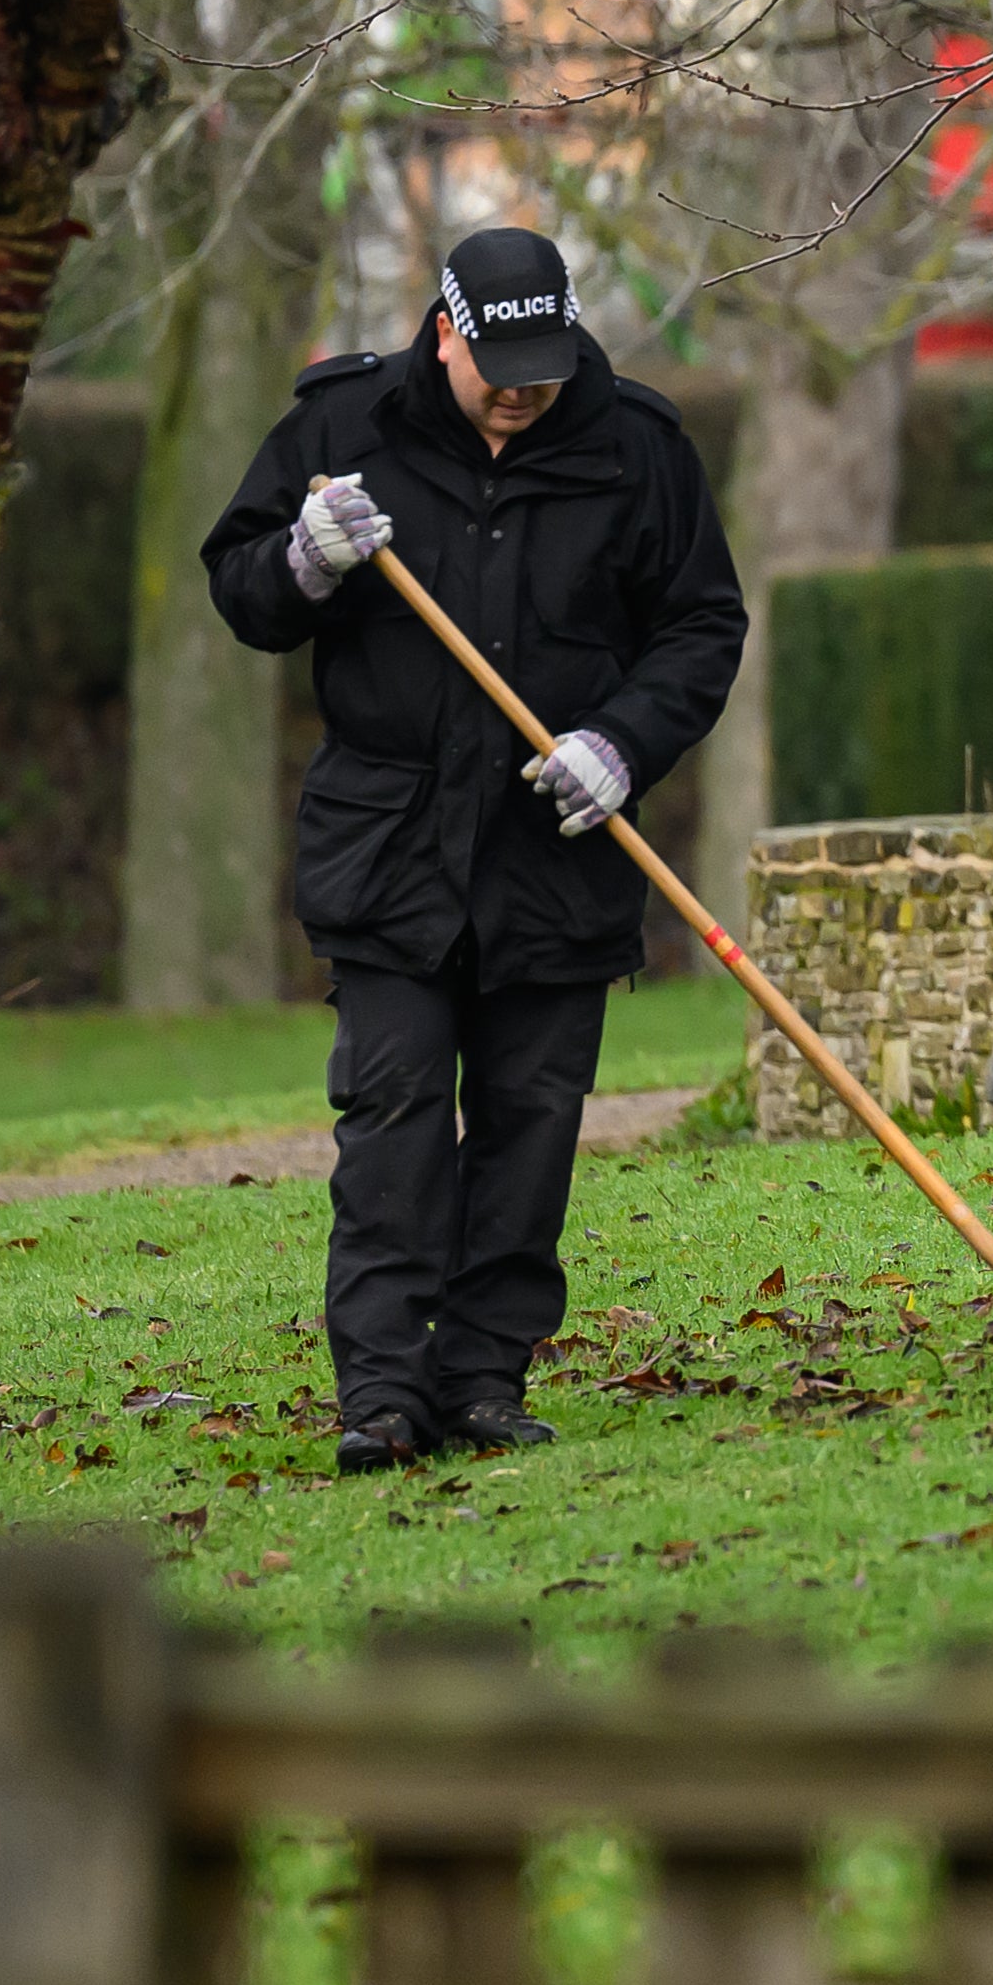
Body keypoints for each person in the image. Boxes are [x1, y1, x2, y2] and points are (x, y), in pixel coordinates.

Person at [204, 227, 747, 1473]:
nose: (522, 390)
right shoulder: (344, 426)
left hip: (555, 853)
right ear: (442, 331)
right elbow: (238, 591)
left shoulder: (637, 448)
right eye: (499, 363)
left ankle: (484, 1377)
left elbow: (702, 627)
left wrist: (621, 740)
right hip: (390, 846)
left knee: (530, 1120)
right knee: (391, 1111)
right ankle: (383, 1393)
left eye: (544, 367)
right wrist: (304, 562)